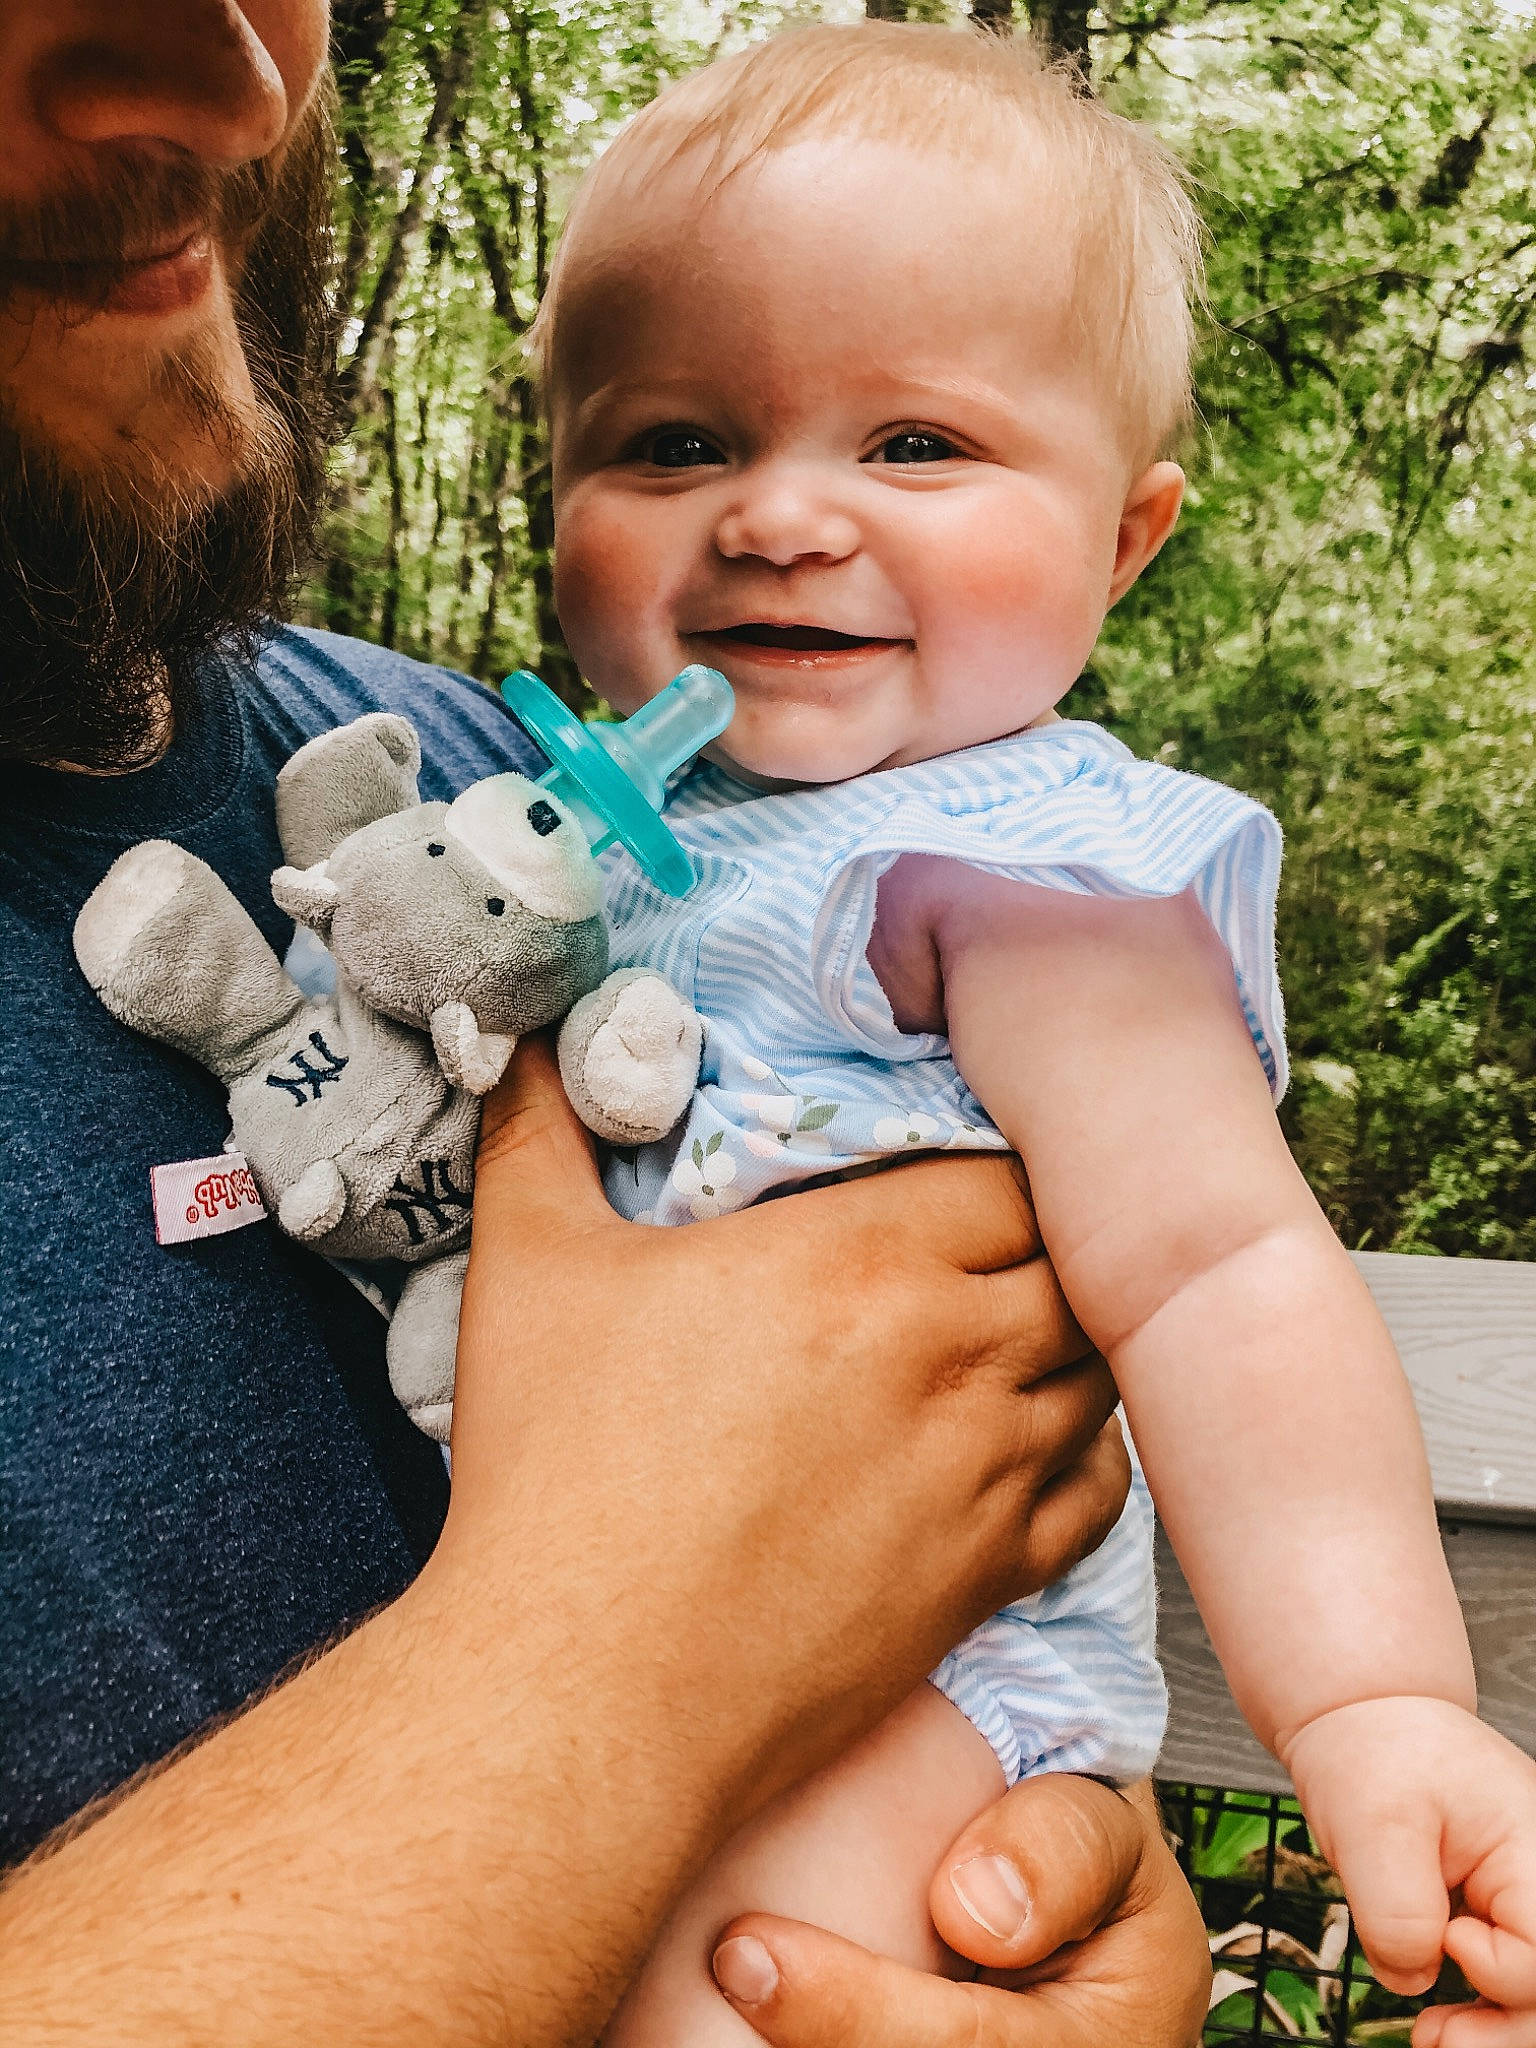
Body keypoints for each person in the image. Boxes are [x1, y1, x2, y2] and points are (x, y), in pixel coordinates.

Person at [0, 5, 1213, 2044]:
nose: (230, 78)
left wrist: (1025, 1877)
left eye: (917, 441)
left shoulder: (481, 818)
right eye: (674, 442)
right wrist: (606, 1653)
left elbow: (951, 1477)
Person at [527, 23, 1536, 2047]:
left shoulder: (1010, 868)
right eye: (673, 444)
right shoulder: (576, 834)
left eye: (915, 446)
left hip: (901, 1684)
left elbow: (1223, 1276)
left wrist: (1373, 1700)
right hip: (573, 1661)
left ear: (1127, 537)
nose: (781, 516)